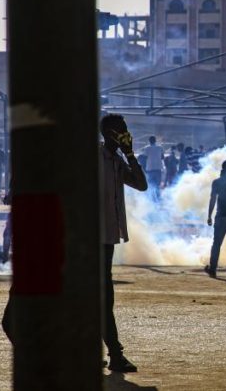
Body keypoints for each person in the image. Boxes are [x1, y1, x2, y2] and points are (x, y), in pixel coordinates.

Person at [100, 114, 148, 371]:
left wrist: (130, 155)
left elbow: (141, 185)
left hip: (106, 237)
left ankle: (111, 353)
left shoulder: (117, 161)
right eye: (121, 131)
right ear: (108, 132)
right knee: (102, 297)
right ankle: (115, 355)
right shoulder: (93, 158)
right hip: (88, 238)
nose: (125, 135)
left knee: (102, 297)